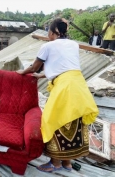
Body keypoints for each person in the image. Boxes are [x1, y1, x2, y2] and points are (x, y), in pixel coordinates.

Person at [16, 18, 99, 173]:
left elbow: (34, 66)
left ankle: (55, 163)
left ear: (53, 31)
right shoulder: (74, 44)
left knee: (53, 122)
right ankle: (67, 163)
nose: (47, 33)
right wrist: (42, 76)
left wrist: (22, 72)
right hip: (78, 85)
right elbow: (64, 66)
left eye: (48, 29)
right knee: (73, 121)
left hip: (64, 88)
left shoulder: (47, 46)